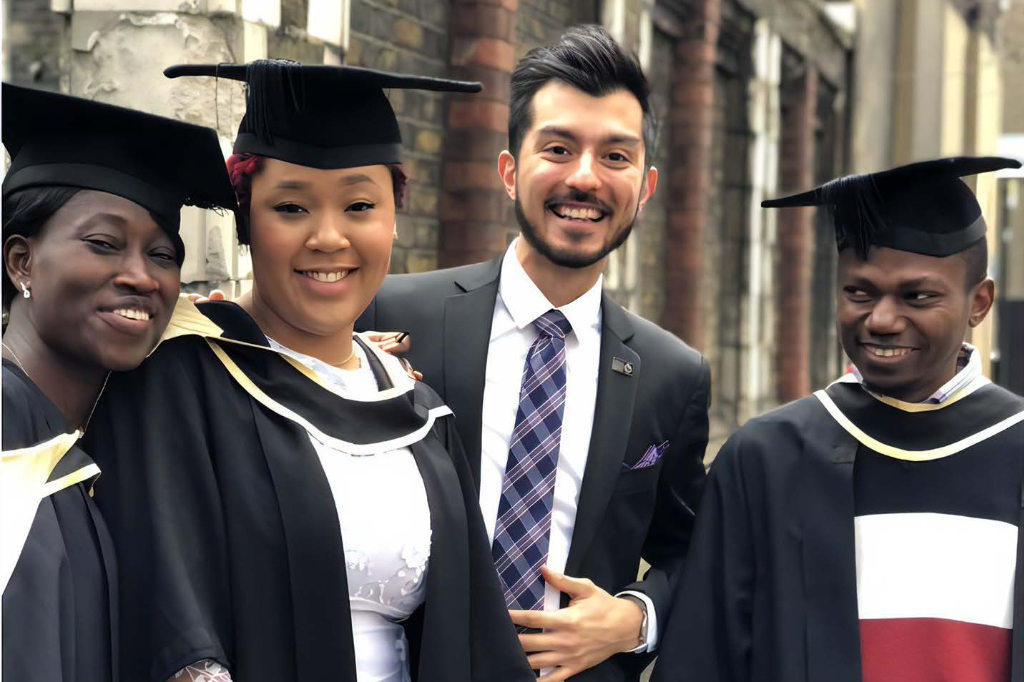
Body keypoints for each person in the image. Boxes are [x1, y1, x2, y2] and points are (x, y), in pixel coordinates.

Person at [84, 60, 533, 682]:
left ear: (393, 220)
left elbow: (475, 632)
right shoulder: (177, 378)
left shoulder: (416, 406)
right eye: (290, 208)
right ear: (246, 222)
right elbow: (160, 605)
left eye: (359, 205)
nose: (328, 237)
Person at [357, 25, 710, 682]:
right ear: (509, 170)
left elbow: (698, 554)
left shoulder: (672, 375)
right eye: (558, 147)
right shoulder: (393, 314)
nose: (584, 177)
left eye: (615, 156)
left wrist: (634, 618)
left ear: (647, 186)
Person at [652, 156, 1024, 682]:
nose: (882, 320)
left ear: (979, 302)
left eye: (917, 296)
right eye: (860, 293)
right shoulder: (764, 460)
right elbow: (702, 661)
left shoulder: (1016, 447)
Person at [1, 83, 237, 682]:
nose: (141, 277)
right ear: (21, 262)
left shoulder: (101, 436)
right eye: (103, 244)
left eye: (162, 255)